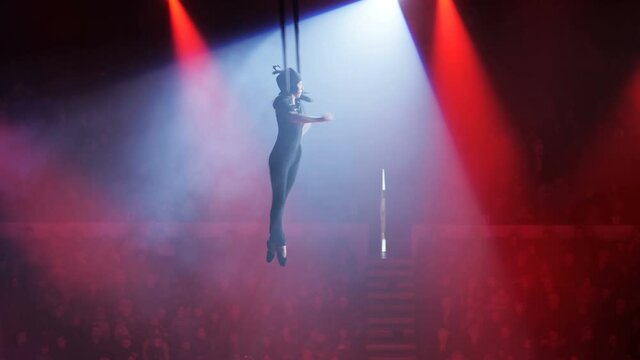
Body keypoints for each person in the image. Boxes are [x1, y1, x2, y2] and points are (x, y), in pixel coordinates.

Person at [267, 66, 332, 266]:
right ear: (291, 86)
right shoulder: (281, 102)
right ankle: (281, 243)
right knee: (278, 203)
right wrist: (318, 119)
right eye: (300, 84)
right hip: (280, 157)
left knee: (283, 203)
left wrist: (298, 136)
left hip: (296, 154)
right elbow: (294, 119)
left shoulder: (298, 104)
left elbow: (302, 125)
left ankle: (271, 241)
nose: (302, 88)